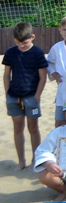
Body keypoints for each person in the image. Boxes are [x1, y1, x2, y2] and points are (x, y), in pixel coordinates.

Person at [4, 21, 49, 169]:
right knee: (17, 128)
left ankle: (35, 160)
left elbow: (43, 77)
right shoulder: (11, 52)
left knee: (33, 128)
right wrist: (7, 92)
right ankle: (21, 160)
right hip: (14, 96)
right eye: (18, 42)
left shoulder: (38, 53)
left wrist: (37, 96)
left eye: (24, 42)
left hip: (31, 96)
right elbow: (6, 74)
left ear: (32, 37)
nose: (21, 45)